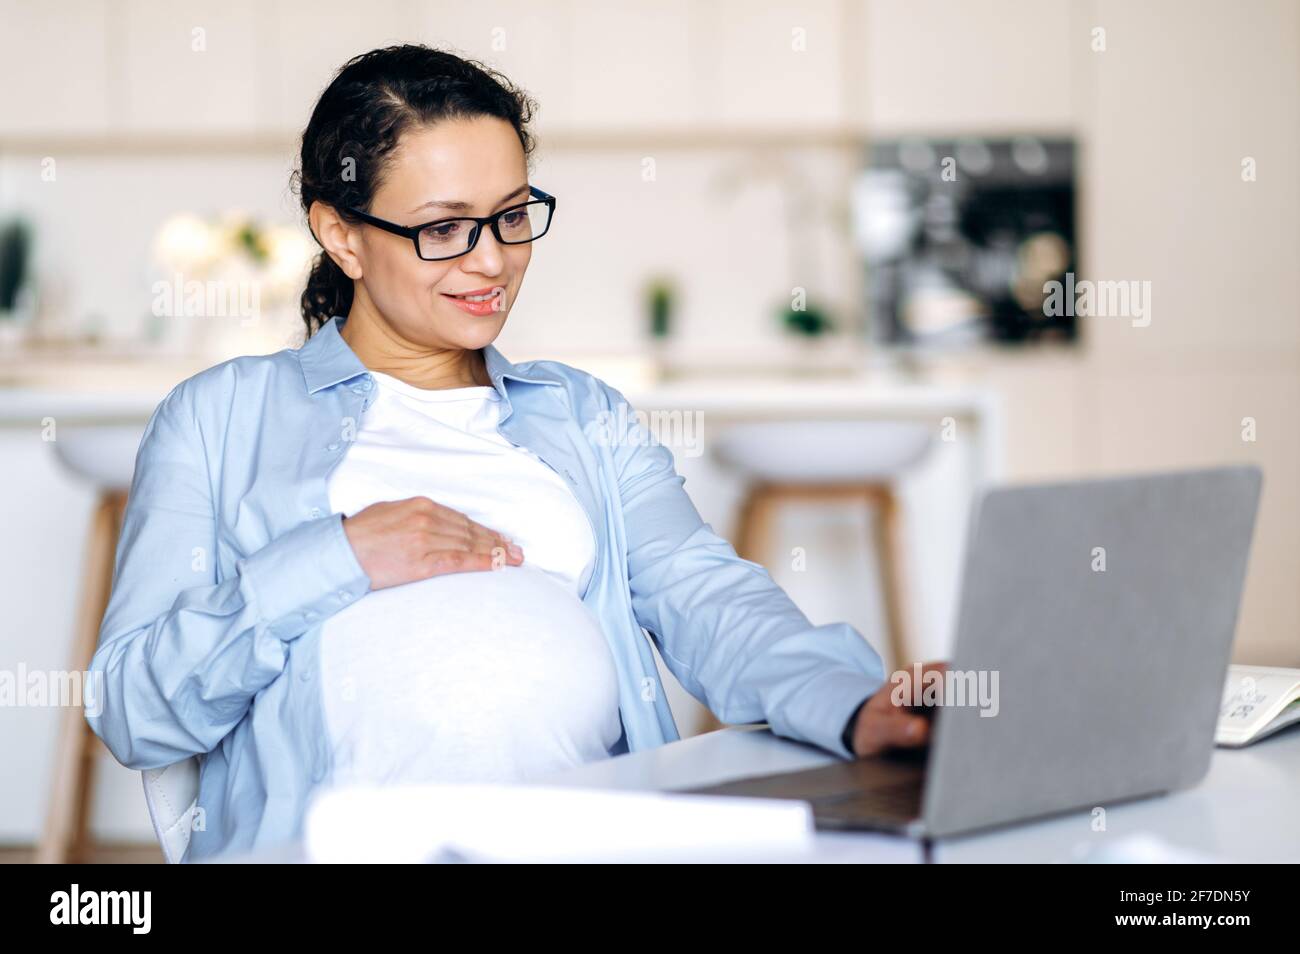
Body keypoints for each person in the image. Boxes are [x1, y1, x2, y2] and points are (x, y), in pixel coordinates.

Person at [86, 44, 931, 863]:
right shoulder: (218, 418)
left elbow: (704, 593)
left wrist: (853, 703)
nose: (493, 259)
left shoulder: (581, 413)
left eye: (513, 215)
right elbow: (134, 710)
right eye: (445, 228)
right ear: (341, 235)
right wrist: (339, 555)